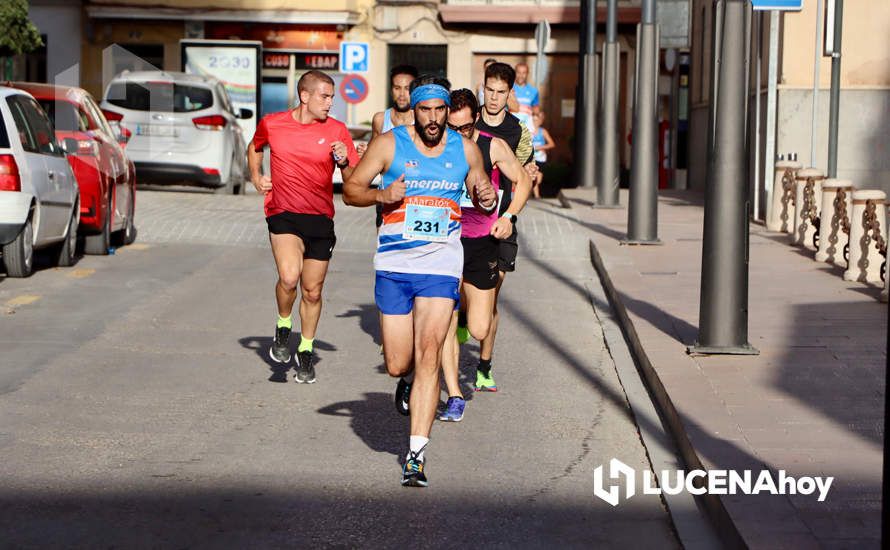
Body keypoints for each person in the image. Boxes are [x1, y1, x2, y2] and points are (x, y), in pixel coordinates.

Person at [343, 75, 497, 487]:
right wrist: (381, 195)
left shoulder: (465, 149)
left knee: (430, 353)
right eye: (425, 110)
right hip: (394, 264)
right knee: (398, 363)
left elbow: (483, 194)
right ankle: (407, 380)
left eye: (439, 111)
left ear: (448, 111)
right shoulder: (389, 144)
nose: (432, 119)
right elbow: (350, 190)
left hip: (441, 264)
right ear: (414, 108)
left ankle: (415, 455)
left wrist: (487, 198)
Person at [248, 70, 358, 384]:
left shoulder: (337, 130)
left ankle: (305, 350)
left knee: (312, 291)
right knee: (289, 276)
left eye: (332, 97)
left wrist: (345, 161)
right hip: (283, 213)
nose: (330, 103)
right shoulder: (273, 123)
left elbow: (351, 183)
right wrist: (256, 177)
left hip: (320, 219)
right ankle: (284, 326)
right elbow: (254, 147)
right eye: (324, 96)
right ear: (304, 96)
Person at [438, 89, 532, 422]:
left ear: (475, 118)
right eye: (452, 127)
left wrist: (508, 218)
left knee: (478, 328)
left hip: (481, 243)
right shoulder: (437, 146)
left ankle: (466, 317)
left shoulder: (492, 146)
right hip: (444, 242)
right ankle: (453, 394)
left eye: (464, 128)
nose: (458, 134)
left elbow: (522, 181)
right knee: (443, 320)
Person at [469, 61, 538, 392]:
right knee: (460, 296)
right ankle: (462, 324)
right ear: (482, 87)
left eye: (500, 92)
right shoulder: (468, 121)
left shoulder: (518, 130)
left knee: (491, 293)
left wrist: (531, 174)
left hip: (501, 222)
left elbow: (526, 169)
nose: (494, 98)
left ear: (510, 93)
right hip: (464, 221)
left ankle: (484, 364)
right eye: (489, 90)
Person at [361, 65, 418, 229]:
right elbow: (371, 159)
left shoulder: (423, 120)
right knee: (384, 252)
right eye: (397, 88)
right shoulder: (380, 119)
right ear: (391, 89)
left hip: (416, 198)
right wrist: (365, 154)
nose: (401, 94)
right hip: (386, 197)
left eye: (407, 88)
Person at [530, 110, 555, 199]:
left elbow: (552, 144)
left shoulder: (543, 131)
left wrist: (540, 147)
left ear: (541, 121)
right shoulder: (528, 131)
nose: (535, 122)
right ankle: (537, 196)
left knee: (538, 179)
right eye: (534, 120)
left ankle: (530, 193)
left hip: (541, 158)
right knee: (535, 176)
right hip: (532, 158)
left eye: (538, 120)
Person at [511, 62, 541, 134]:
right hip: (511, 127)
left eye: (524, 73)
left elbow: (536, 110)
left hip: (527, 128)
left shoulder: (534, 91)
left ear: (527, 74)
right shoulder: (509, 88)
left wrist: (537, 119)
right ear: (515, 73)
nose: (521, 75)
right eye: (518, 72)